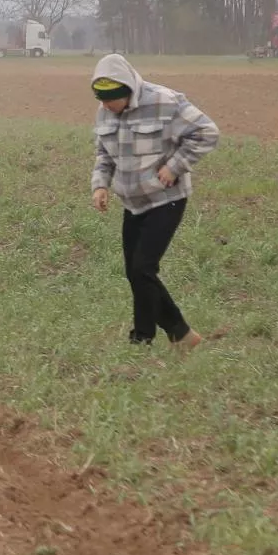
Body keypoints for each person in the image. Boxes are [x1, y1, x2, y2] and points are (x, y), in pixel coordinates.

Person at [90, 54, 220, 350]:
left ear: (128, 90)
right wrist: (100, 185)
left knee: (142, 268)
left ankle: (169, 334)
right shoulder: (104, 112)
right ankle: (152, 335)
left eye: (112, 100)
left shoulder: (165, 102)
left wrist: (174, 167)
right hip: (132, 203)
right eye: (102, 101)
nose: (107, 107)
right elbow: (104, 153)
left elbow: (206, 132)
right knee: (135, 273)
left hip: (166, 199)